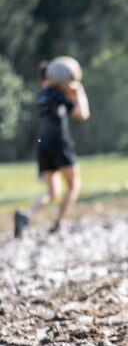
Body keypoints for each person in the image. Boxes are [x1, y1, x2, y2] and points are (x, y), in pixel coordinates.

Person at [14, 60, 90, 238]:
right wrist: (78, 91)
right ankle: (58, 223)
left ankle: (26, 216)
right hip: (59, 142)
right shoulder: (58, 94)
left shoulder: (41, 95)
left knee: (53, 192)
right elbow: (83, 114)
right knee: (74, 185)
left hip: (43, 144)